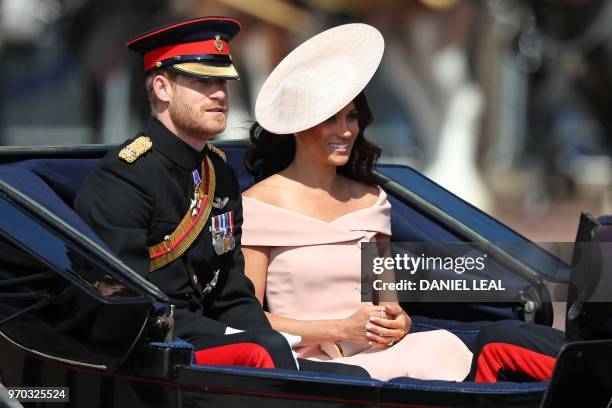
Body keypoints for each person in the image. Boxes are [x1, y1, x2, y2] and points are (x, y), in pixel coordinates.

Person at [74, 16, 368, 377]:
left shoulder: (219, 174)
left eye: (223, 82)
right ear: (163, 89)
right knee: (273, 352)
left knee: (353, 378)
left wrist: (260, 333)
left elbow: (231, 293)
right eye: (203, 82)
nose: (219, 94)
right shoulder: (124, 176)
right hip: (152, 349)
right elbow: (127, 303)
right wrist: (247, 338)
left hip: (206, 339)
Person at [241, 23, 473, 381]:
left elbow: (387, 304)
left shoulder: (371, 201)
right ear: (300, 125)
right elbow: (248, 321)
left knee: (445, 347)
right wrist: (339, 328)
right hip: (310, 364)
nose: (346, 131)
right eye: (331, 118)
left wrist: (398, 322)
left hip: (379, 355)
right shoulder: (258, 205)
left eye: (351, 116)